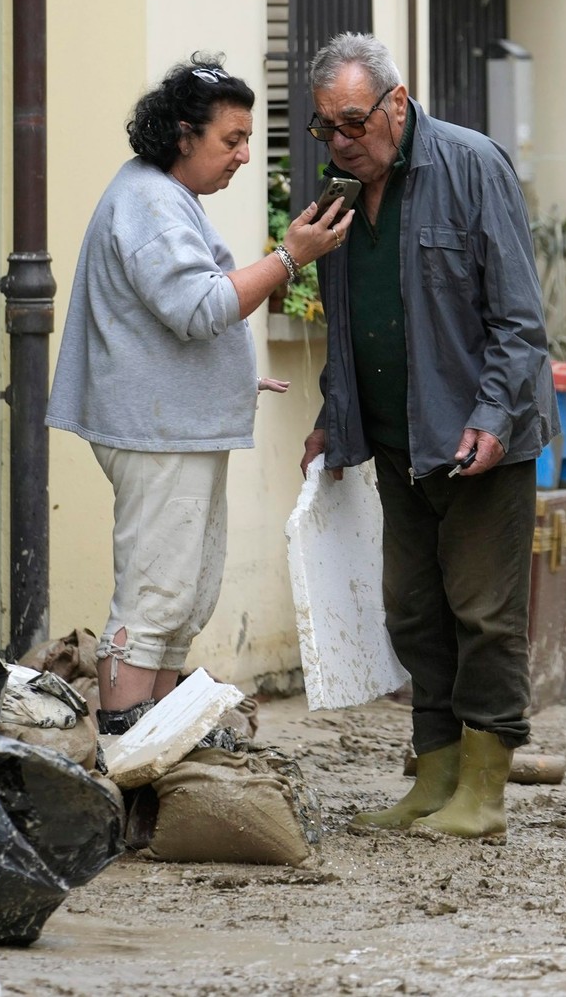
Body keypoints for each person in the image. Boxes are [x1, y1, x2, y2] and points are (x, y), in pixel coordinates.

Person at [300, 32, 556, 843]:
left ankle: (484, 789)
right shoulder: (341, 189)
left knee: (485, 611)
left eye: (352, 123)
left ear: (396, 104)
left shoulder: (472, 165)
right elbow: (348, 320)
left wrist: (491, 413)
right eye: (326, 129)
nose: (341, 143)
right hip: (394, 439)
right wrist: (331, 414)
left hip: (478, 437)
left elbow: (519, 318)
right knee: (413, 609)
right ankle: (434, 772)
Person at [48, 54, 352, 735]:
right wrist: (290, 257)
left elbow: (166, 319)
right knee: (157, 593)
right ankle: (130, 747)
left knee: (182, 596)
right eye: (232, 140)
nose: (245, 155)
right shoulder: (151, 202)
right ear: (183, 134)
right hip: (158, 437)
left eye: (248, 140)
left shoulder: (160, 195)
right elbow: (198, 306)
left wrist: (230, 375)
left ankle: (152, 737)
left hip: (177, 427)